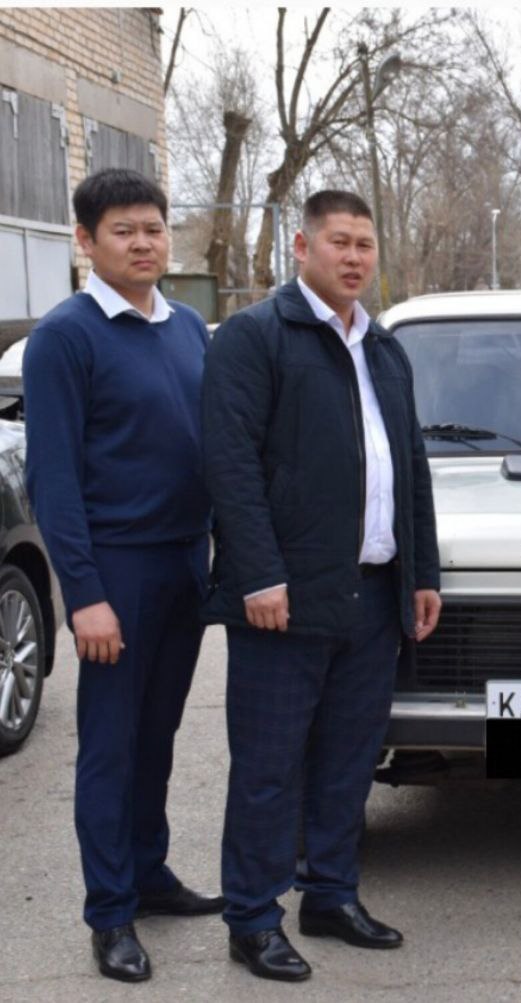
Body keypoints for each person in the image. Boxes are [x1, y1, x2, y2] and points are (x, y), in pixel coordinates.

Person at [202, 190, 442, 982]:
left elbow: (410, 468)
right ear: (302, 247)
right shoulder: (255, 337)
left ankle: (331, 894)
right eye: (339, 241)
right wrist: (259, 574)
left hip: (373, 595)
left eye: (365, 244)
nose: (354, 257)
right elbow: (230, 465)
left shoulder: (384, 348)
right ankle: (252, 916)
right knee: (269, 767)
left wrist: (422, 574)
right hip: (285, 599)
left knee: (347, 759)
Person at [23, 168, 222, 983]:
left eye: (154, 227)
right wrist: (86, 596)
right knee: (110, 743)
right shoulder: (65, 337)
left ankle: (148, 871)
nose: (144, 243)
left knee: (158, 734)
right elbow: (54, 480)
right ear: (86, 240)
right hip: (117, 569)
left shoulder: (187, 327)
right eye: (123, 230)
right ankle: (110, 911)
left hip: (184, 562)